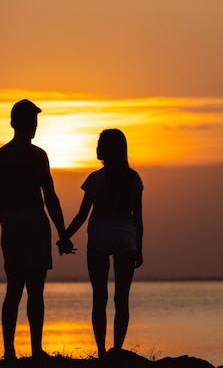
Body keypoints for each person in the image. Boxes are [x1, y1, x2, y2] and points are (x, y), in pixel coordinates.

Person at [0, 99, 74, 360]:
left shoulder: (1, 156)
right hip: (31, 224)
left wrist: (6, 224)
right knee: (29, 290)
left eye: (35, 121)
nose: (34, 126)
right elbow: (50, 196)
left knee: (16, 288)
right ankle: (30, 350)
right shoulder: (36, 155)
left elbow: (0, 201)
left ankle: (13, 352)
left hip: (15, 224)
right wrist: (62, 233)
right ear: (17, 123)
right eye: (31, 121)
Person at [59, 128, 143, 358]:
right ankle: (117, 350)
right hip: (127, 239)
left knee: (100, 297)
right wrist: (140, 247)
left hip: (99, 240)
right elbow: (139, 217)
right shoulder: (133, 179)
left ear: (108, 149)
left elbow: (82, 214)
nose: (96, 148)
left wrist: (65, 236)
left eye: (99, 144)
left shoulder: (96, 178)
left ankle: (102, 352)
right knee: (121, 299)